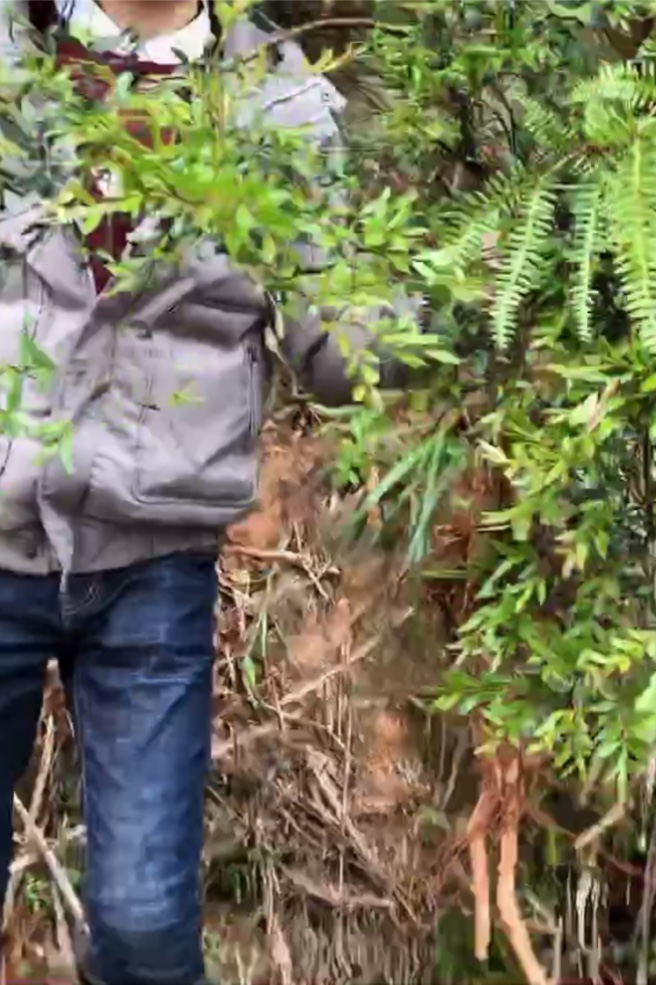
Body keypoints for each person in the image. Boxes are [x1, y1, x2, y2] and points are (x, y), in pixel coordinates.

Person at [0, 2, 395, 982]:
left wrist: (448, 297)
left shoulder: (280, 102)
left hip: (154, 570)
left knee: (143, 927)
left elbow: (343, 353)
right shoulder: (12, 50)